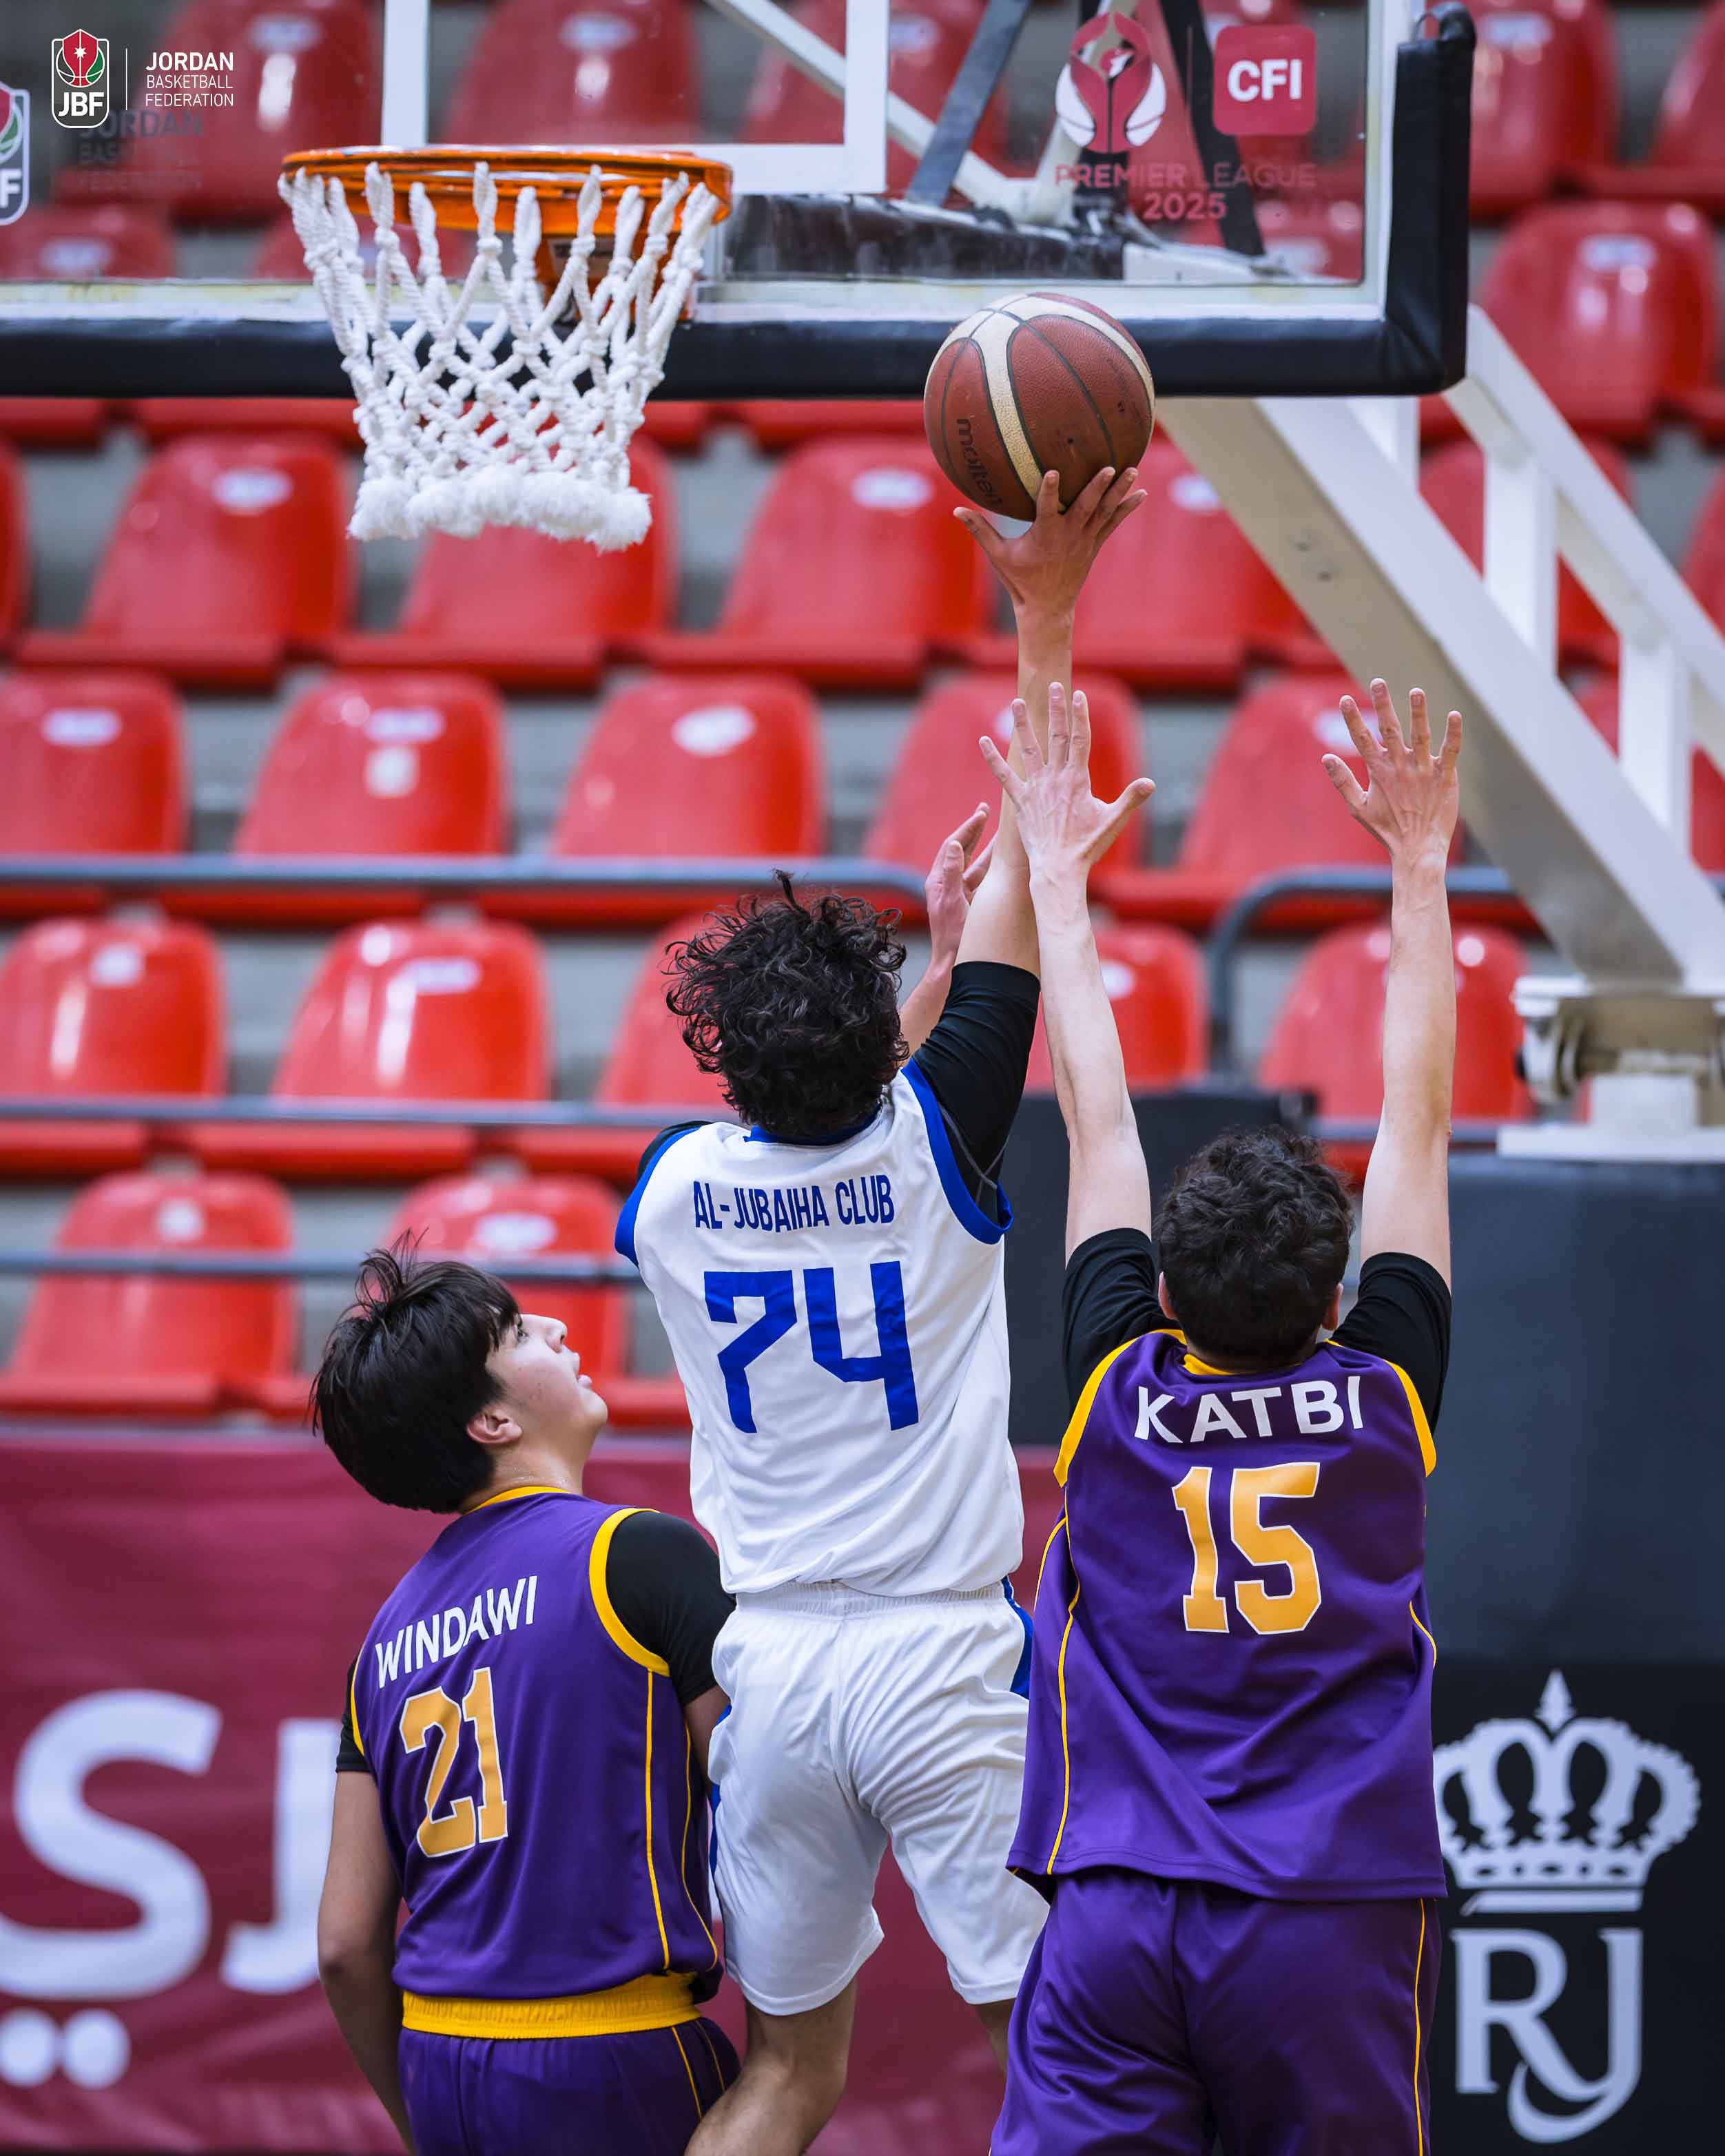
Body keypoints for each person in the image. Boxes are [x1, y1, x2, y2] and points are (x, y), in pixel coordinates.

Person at [617, 467, 1147, 2156]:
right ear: (884, 1047)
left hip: (768, 1664)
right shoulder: (937, 1140)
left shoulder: (672, 1190)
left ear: (730, 1065)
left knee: (788, 2075)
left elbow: (827, 1114)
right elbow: (1021, 902)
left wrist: (912, 992)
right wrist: (1044, 608)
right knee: (1057, 2049)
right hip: (938, 1648)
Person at [986, 678, 1460, 2155]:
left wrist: (1058, 876)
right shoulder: (1383, 1393)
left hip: (1117, 1902)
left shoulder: (1114, 1387)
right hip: (1324, 1908)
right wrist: (1420, 865)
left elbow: (1097, 1114)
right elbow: (1417, 1122)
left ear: (1160, 1289)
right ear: (1339, 1295)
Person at [311, 1250, 737, 2155]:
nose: (556, 1326)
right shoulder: (640, 1553)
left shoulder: (381, 1641)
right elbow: (770, 1804)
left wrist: (420, 2116)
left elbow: (345, 1943)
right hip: (612, 2051)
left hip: (439, 2060)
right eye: (517, 1332)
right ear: (493, 1420)